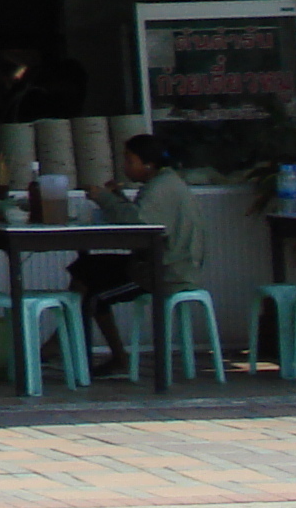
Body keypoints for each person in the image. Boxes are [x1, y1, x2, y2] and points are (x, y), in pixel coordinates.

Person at [77, 132, 206, 378]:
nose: (125, 167)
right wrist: (118, 198)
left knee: (94, 295)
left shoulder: (160, 188)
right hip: (164, 262)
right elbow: (144, 216)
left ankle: (113, 357)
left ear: (148, 164)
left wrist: (104, 198)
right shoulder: (166, 183)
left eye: (129, 161)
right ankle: (61, 345)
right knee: (85, 267)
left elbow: (139, 223)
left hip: (163, 271)